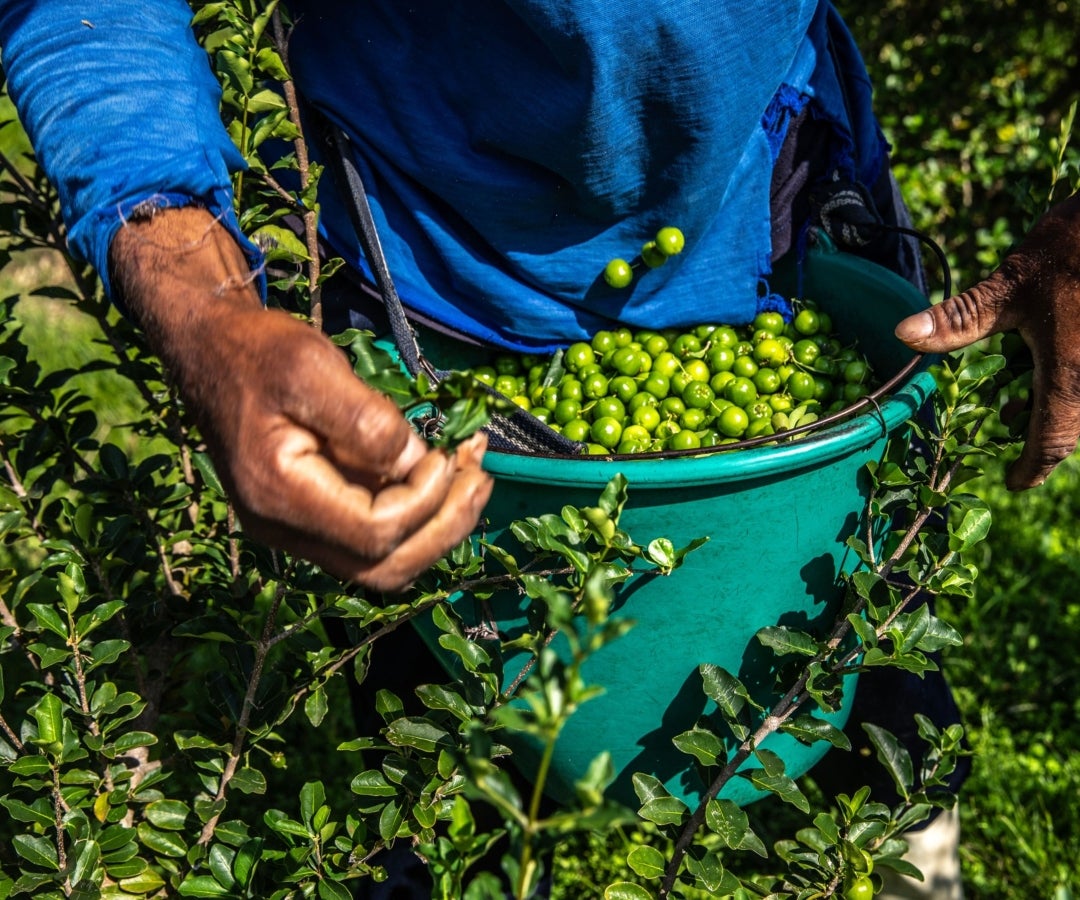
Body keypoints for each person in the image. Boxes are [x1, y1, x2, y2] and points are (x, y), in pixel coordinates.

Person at [2, 2, 1078, 897]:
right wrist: (201, 310)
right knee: (422, 737)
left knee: (870, 651)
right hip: (428, 264)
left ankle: (914, 862)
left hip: (768, 204)